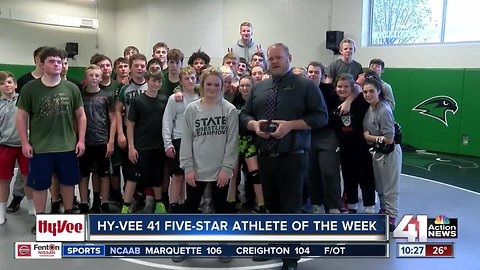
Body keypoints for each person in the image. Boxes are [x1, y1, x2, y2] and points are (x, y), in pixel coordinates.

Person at [240, 43, 328, 270]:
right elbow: (245, 115)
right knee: (271, 206)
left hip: (293, 157)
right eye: (271, 58)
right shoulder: (260, 87)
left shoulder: (306, 85)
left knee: (291, 208)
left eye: (279, 57)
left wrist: (290, 126)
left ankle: (290, 257)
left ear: (289, 57)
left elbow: (321, 117)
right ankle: (274, 245)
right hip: (266, 156)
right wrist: (253, 124)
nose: (275, 61)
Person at [16, 47, 86, 233]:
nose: (57, 65)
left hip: (67, 146)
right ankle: (41, 221)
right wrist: (24, 142)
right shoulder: (30, 88)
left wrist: (81, 140)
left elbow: (81, 116)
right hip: (40, 147)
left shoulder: (72, 88)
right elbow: (21, 117)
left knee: (68, 182)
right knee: (39, 186)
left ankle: (69, 215)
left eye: (60, 62)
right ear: (41, 64)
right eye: (52, 61)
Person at [180, 67, 239, 216]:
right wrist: (188, 168)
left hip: (221, 171)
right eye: (209, 84)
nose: (212, 88)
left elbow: (232, 142)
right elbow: (186, 140)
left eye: (217, 85)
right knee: (190, 210)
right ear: (202, 85)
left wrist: (226, 168)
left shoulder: (229, 110)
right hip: (196, 170)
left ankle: (222, 240)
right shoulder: (191, 109)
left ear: (222, 86)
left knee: (221, 212)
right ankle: (186, 240)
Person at [122, 71, 168, 214]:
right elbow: (130, 124)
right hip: (141, 146)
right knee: (133, 177)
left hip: (158, 146)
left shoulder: (164, 99)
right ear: (147, 81)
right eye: (154, 81)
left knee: (157, 176)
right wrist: (131, 147)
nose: (156, 84)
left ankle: (159, 205)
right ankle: (126, 206)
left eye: (159, 81)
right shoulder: (138, 101)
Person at [6, 46, 45, 213]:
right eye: (42, 59)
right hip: (27, 132)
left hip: (46, 132)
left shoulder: (53, 78)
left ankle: (48, 203)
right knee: (25, 170)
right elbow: (19, 111)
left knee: (42, 171)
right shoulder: (24, 81)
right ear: (36, 60)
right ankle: (17, 197)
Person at [362, 75, 402, 231]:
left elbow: (389, 139)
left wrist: (369, 137)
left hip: (389, 154)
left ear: (379, 91)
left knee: (390, 188)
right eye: (365, 92)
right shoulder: (370, 108)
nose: (368, 94)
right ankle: (384, 211)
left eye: (371, 91)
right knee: (380, 187)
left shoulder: (384, 110)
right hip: (377, 153)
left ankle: (391, 219)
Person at [332, 74, 376, 214]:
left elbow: (361, 89)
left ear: (352, 88)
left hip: (363, 147)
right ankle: (352, 204)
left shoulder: (361, 100)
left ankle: (369, 206)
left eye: (346, 86)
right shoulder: (333, 101)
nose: (342, 89)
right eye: (339, 86)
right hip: (345, 148)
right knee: (348, 177)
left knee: (366, 177)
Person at [305, 62, 345, 214]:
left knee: (329, 171)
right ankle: (316, 204)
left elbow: (354, 88)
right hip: (308, 134)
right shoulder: (302, 90)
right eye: (310, 72)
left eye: (316, 72)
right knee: (311, 172)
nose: (313, 74)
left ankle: (334, 205)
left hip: (328, 135)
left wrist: (347, 101)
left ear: (322, 76)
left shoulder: (330, 90)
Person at [77, 65, 116, 214]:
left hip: (102, 142)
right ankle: (84, 203)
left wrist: (111, 141)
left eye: (97, 76)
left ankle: (104, 203)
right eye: (91, 75)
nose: (94, 78)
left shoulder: (107, 96)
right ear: (86, 78)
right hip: (84, 142)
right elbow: (76, 119)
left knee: (104, 174)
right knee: (83, 174)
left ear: (101, 77)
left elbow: (113, 120)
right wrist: (78, 139)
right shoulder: (80, 95)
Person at [162, 67, 200, 213]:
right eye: (186, 78)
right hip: (178, 140)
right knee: (177, 176)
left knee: (192, 175)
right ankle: (173, 206)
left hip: (197, 141)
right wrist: (168, 144)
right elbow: (167, 121)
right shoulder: (175, 98)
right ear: (181, 81)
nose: (190, 81)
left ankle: (187, 205)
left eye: (193, 78)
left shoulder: (201, 96)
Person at [0, 71, 32, 224]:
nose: (6, 85)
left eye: (9, 82)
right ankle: (1, 211)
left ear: (15, 84)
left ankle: (32, 205)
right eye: (2, 83)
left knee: (28, 176)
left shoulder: (24, 100)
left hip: (24, 145)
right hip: (5, 146)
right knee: (4, 179)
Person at [231, 75, 265, 213]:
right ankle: (231, 201)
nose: (245, 88)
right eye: (242, 85)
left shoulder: (257, 101)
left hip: (250, 141)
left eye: (248, 85)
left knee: (255, 174)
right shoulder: (235, 99)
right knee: (232, 173)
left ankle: (261, 204)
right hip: (234, 139)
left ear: (253, 86)